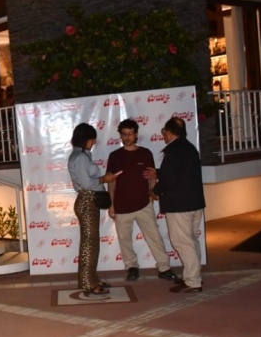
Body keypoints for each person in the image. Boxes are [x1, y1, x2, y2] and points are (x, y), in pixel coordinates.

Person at [106, 119, 180, 283]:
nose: (127, 137)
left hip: (143, 204)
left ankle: (164, 267)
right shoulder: (115, 156)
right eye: (124, 134)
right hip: (121, 205)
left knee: (154, 237)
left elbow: (152, 176)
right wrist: (111, 205)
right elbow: (111, 182)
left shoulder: (146, 153)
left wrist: (152, 195)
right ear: (120, 135)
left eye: (130, 133)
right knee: (124, 239)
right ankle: (131, 267)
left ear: (136, 134)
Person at [144, 117, 207, 293]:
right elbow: (180, 173)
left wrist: (155, 191)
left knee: (182, 242)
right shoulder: (189, 147)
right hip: (194, 203)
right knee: (191, 240)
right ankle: (192, 276)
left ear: (169, 133)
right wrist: (158, 172)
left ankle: (193, 281)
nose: (163, 136)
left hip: (179, 205)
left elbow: (170, 179)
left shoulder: (173, 151)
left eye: (164, 132)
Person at [67, 123, 120, 296]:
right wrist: (105, 179)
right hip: (87, 201)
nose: (94, 142)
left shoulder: (82, 155)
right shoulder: (80, 158)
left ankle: (91, 279)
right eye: (92, 139)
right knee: (89, 244)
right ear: (85, 139)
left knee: (92, 243)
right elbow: (86, 183)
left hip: (89, 201)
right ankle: (88, 283)